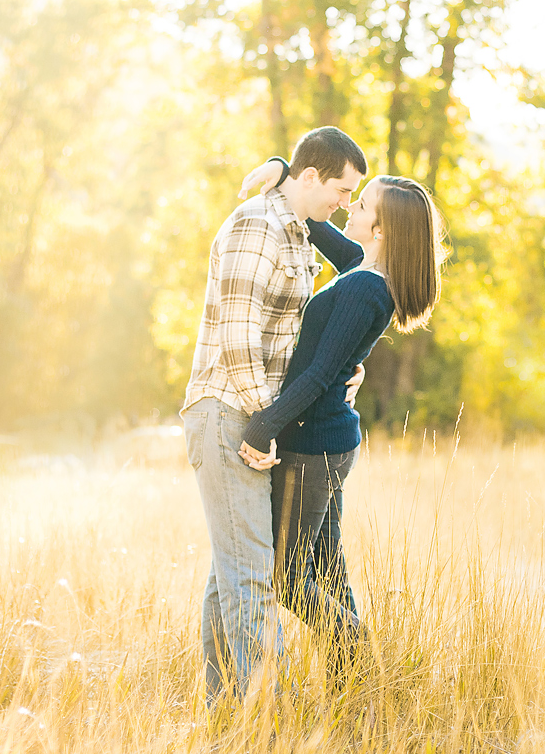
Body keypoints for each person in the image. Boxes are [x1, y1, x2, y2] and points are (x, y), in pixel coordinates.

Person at [235, 159, 445, 689]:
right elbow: (320, 226)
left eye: (364, 203)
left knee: (287, 578)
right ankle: (355, 689)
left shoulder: (362, 288)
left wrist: (264, 426)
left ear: (381, 229)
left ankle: (360, 654)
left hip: (312, 444)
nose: (350, 205)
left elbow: (319, 376)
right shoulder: (367, 271)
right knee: (327, 569)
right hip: (330, 441)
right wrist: (287, 178)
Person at [181, 127, 368, 704]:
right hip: (230, 414)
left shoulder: (295, 232)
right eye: (341, 190)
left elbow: (358, 264)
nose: (344, 204)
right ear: (310, 179)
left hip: (256, 418)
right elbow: (238, 345)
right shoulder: (255, 227)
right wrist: (265, 428)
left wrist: (340, 373)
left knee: (231, 575)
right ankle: (272, 723)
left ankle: (225, 716)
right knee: (252, 578)